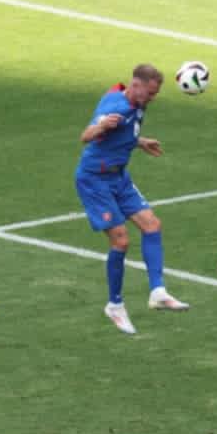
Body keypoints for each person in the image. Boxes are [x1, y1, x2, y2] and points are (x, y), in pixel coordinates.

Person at [75, 63, 188, 335]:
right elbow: (85, 136)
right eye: (150, 93)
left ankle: (158, 292)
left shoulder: (132, 100)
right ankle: (115, 305)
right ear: (136, 85)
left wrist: (139, 141)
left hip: (119, 178)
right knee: (121, 241)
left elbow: (124, 127)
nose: (153, 98)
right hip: (95, 180)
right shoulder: (116, 109)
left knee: (152, 225)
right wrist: (101, 125)